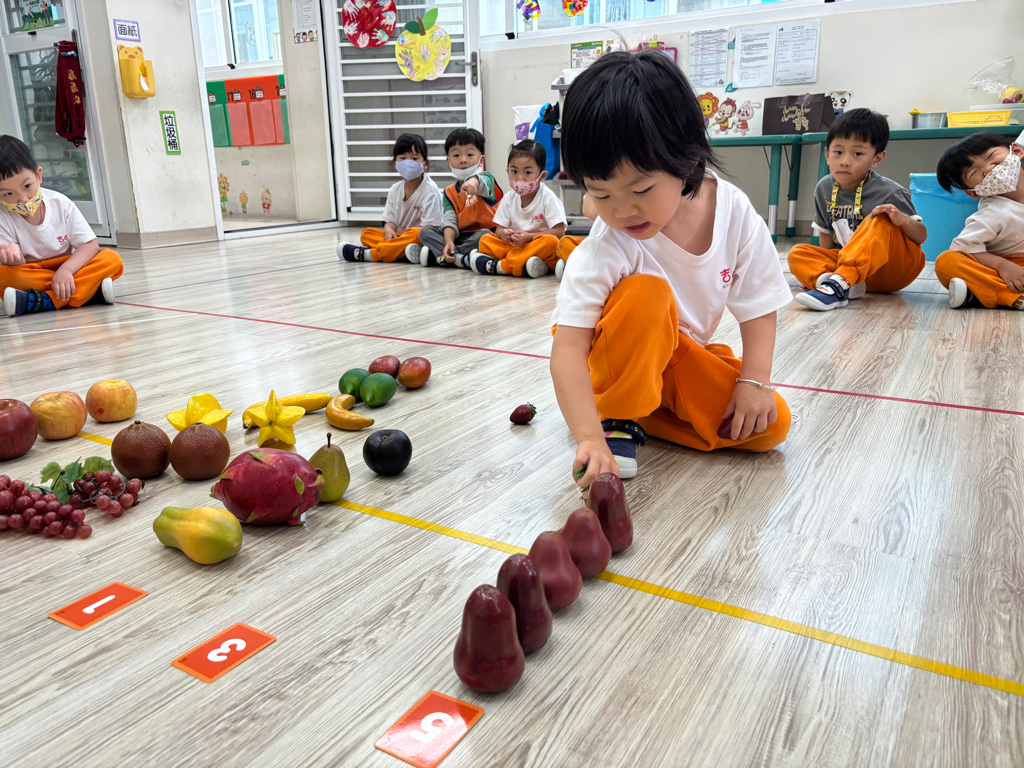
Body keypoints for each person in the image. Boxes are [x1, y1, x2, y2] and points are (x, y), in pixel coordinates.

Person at [551, 51, 792, 488]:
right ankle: (614, 416)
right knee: (646, 294)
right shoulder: (609, 242)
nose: (622, 211)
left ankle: (636, 410)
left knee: (770, 425)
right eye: (600, 195)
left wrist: (755, 381)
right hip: (612, 358)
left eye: (641, 189)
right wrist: (588, 438)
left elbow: (759, 303)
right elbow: (568, 349)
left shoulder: (733, 211)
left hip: (677, 355)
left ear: (688, 160)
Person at [788, 108, 927, 311]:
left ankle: (837, 284)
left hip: (892, 270)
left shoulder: (889, 193)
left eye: (858, 154)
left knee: (879, 218)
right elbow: (826, 236)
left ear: (876, 159)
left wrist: (903, 220)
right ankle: (832, 282)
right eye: (838, 152)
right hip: (858, 277)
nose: (845, 161)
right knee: (797, 253)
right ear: (827, 154)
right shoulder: (824, 188)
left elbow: (921, 237)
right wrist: (821, 266)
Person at [0, 135, 122, 317]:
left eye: (27, 186)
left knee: (111, 259)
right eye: (8, 194)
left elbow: (90, 245)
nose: (23, 199)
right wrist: (14, 261)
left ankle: (44, 301)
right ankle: (88, 292)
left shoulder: (60, 203)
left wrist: (66, 271)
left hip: (70, 266)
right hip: (35, 272)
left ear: (38, 175)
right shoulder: (3, 217)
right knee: (4, 275)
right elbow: (18, 269)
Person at [934, 131, 1024, 309]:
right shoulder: (991, 213)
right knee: (947, 261)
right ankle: (1009, 294)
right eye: (974, 172)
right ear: (974, 193)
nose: (989, 169)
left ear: (1016, 151)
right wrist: (1002, 266)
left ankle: (974, 294)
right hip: (1004, 271)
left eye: (991, 156)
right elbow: (963, 247)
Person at [338, 133, 441, 263]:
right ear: (395, 163)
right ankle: (406, 252)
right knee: (366, 233)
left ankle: (370, 254)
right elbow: (390, 221)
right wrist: (389, 229)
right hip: (401, 238)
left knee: (416, 234)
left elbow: (428, 231)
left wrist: (403, 233)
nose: (408, 163)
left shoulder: (430, 191)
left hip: (421, 239)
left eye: (414, 158)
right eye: (402, 158)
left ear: (425, 164)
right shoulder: (394, 189)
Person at [470, 139, 566, 277]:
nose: (519, 178)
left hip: (537, 246)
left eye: (527, 173)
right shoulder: (509, 198)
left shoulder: (548, 198)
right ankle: (527, 264)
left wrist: (529, 237)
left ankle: (502, 266)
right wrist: (504, 234)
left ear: (542, 176)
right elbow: (499, 229)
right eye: (514, 171)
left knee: (551, 243)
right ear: (507, 171)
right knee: (486, 239)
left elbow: (559, 232)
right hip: (516, 246)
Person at [413, 128, 502, 268]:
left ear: (481, 160)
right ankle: (458, 256)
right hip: (459, 237)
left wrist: (473, 182)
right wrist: (449, 241)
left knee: (485, 236)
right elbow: (450, 220)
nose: (463, 160)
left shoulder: (487, 179)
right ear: (449, 162)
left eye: (470, 154)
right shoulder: (449, 192)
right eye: (456, 155)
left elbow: (481, 182)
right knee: (425, 231)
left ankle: (444, 256)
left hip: (485, 234)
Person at [555, 193, 597, 280]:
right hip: (594, 246)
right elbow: (588, 211)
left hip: (615, 251)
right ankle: (580, 265)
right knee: (565, 242)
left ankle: (575, 265)